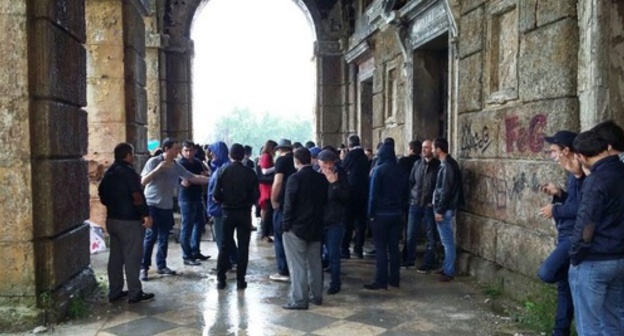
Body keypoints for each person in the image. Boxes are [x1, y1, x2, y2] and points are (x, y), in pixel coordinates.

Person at [568, 131, 624, 335]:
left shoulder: (596, 180)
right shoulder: (620, 171)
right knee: (615, 320)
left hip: (595, 260)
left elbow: (586, 222)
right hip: (619, 257)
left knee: (589, 325)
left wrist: (575, 255)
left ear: (581, 157)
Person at [140, 138, 209, 281]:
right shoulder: (153, 162)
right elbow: (143, 181)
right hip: (151, 204)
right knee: (151, 237)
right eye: (176, 149)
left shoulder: (177, 166)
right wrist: (159, 168)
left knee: (164, 237)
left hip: (166, 206)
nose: (178, 151)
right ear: (166, 149)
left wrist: (213, 179)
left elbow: (192, 177)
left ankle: (161, 266)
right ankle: (144, 268)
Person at [537, 131, 583, 336]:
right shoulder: (573, 173)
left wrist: (555, 209)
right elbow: (573, 202)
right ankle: (560, 330)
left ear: (567, 150)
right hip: (566, 233)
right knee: (563, 285)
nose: (552, 156)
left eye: (554, 151)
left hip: (574, 235)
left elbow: (582, 208)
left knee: (547, 272)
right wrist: (559, 194)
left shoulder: (581, 173)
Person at [98, 143, 154, 303]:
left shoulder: (110, 172)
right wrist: (145, 213)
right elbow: (136, 194)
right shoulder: (129, 173)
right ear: (128, 155)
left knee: (115, 257)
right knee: (132, 257)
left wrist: (112, 205)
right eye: (132, 154)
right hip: (128, 221)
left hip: (112, 220)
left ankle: (115, 291)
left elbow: (101, 192)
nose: (133, 157)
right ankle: (135, 293)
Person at [281, 148, 328, 309]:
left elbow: (289, 204)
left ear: (297, 161)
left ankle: (300, 299)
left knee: (297, 265)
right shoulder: (321, 179)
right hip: (316, 226)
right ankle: (317, 295)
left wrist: (285, 225)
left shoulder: (294, 178)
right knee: (315, 263)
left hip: (297, 227)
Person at [213, 144, 259, 290]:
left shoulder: (223, 171)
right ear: (243, 155)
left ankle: (221, 279)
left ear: (230, 156)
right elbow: (255, 195)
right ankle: (241, 280)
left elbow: (215, 194)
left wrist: (222, 200)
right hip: (244, 213)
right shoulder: (250, 172)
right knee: (243, 247)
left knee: (224, 246)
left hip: (227, 212)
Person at [364, 142, 407, 290]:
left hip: (380, 214)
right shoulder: (400, 169)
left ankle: (381, 280)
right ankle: (394, 279)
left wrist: (370, 214)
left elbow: (373, 194)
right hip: (396, 213)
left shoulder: (379, 170)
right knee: (394, 247)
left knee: (381, 248)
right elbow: (405, 192)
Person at [404, 140, 440, 271]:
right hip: (415, 203)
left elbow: (438, 186)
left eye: (428, 147)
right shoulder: (417, 164)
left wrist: (433, 201)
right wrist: (412, 198)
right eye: (423, 147)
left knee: (431, 235)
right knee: (410, 234)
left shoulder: (438, 165)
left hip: (429, 205)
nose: (424, 150)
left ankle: (428, 262)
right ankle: (409, 260)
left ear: (433, 149)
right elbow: (412, 182)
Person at [432, 137, 463, 282]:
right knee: (446, 240)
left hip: (445, 208)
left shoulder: (447, 166)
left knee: (447, 241)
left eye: (433, 148)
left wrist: (439, 210)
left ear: (438, 149)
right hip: (445, 207)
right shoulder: (446, 164)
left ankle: (449, 270)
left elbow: (445, 190)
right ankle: (446, 267)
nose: (432, 151)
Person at [318, 149, 349, 294]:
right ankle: (317, 282)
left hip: (335, 221)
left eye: (331, 163)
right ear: (319, 162)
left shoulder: (340, 175)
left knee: (333, 254)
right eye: (325, 163)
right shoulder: (315, 176)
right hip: (318, 221)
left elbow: (346, 198)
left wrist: (334, 184)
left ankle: (335, 283)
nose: (328, 167)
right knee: (316, 255)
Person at [177, 141, 210, 266]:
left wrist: (198, 178)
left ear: (195, 150)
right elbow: (187, 181)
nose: (189, 153)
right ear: (182, 151)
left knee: (200, 224)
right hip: (186, 199)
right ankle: (187, 255)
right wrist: (198, 178)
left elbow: (204, 175)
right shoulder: (180, 164)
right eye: (186, 150)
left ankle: (195, 251)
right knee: (187, 228)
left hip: (197, 197)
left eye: (191, 150)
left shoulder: (197, 162)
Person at [207, 141, 238, 272]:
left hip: (219, 209)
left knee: (221, 239)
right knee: (228, 238)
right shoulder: (224, 167)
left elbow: (221, 191)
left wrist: (216, 200)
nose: (211, 155)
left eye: (213, 152)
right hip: (224, 209)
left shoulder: (222, 170)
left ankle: (224, 263)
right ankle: (234, 260)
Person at [270, 139, 297, 282]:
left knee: (279, 237)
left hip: (282, 202)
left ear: (279, 149)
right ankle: (293, 268)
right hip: (294, 202)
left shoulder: (281, 161)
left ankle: (283, 270)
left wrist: (273, 200)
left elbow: (278, 181)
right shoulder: (295, 160)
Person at [341, 135, 370, 259]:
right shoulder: (364, 157)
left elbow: (342, 170)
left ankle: (345, 249)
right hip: (363, 193)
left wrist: (343, 158)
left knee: (348, 222)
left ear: (349, 144)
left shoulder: (350, 156)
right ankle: (358, 249)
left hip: (351, 194)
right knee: (360, 223)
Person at [257, 140, 278, 242]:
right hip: (266, 187)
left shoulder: (265, 156)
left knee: (267, 210)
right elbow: (265, 170)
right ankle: (265, 233)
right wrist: (276, 166)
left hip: (266, 186)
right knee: (267, 210)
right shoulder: (266, 156)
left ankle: (265, 233)